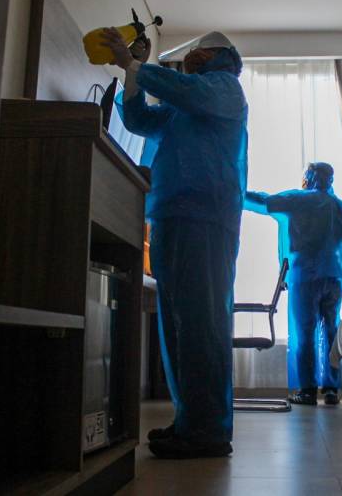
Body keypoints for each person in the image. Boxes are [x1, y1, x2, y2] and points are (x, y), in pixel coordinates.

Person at [99, 28, 248, 458]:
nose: (192, 58)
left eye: (200, 52)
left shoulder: (225, 89)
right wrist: (131, 74)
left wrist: (136, 64)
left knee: (200, 324)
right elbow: (139, 121)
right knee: (179, 326)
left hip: (205, 217)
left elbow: (187, 90)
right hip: (173, 215)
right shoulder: (184, 106)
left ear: (218, 56)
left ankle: (209, 431)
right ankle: (191, 422)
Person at [244, 162, 342, 405]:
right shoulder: (338, 206)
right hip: (332, 277)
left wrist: (237, 193)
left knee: (304, 334)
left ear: (309, 178)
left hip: (305, 277)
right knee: (331, 331)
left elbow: (265, 202)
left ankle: (307, 390)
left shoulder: (297, 199)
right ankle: (332, 390)